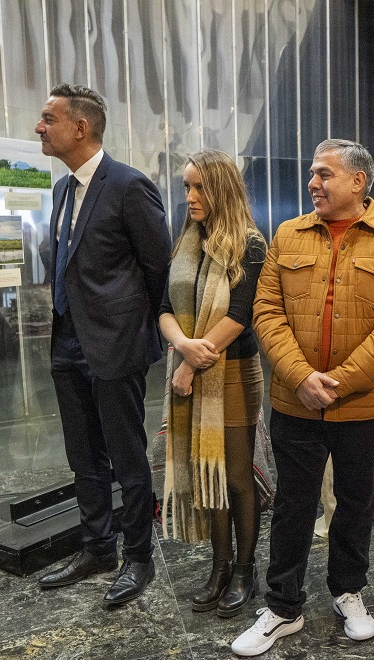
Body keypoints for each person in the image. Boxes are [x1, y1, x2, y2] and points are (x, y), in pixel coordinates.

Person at [233, 139, 374, 656]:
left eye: (324, 174)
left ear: (358, 182)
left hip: (365, 404)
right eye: (313, 174)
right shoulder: (287, 234)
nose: (312, 183)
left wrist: (338, 380)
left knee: (356, 503)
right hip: (295, 401)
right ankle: (282, 607)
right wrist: (300, 376)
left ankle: (348, 591)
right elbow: (266, 310)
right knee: (292, 505)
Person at [35, 84, 171, 606]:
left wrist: (139, 332)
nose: (39, 128)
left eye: (48, 119)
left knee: (126, 455)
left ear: (80, 127)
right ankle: (97, 547)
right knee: (83, 454)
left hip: (116, 345)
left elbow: (158, 267)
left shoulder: (129, 185)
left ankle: (138, 556)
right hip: (67, 341)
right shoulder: (62, 189)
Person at [157, 150, 266, 617]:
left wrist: (188, 364)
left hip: (234, 373)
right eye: (186, 186)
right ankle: (219, 567)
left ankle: (244, 570)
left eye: (199, 187)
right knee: (207, 475)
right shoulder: (187, 241)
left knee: (236, 477)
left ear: (222, 188)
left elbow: (240, 316)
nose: (190, 196)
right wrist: (183, 344)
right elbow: (164, 308)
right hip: (192, 365)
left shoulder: (250, 244)